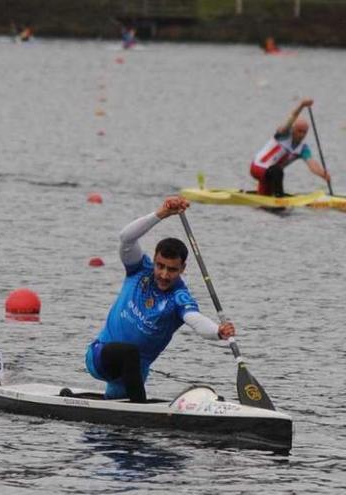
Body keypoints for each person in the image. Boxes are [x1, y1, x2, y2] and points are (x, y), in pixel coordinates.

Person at [84, 196, 236, 402]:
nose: (164, 274)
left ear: (183, 269)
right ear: (154, 260)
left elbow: (196, 320)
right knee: (130, 353)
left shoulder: (179, 298)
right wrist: (161, 214)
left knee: (117, 421)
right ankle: (139, 410)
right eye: (160, 266)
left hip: (134, 373)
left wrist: (217, 331)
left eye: (172, 269)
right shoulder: (138, 269)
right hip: (101, 356)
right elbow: (126, 237)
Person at [249, 98, 331, 197]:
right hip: (257, 167)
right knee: (277, 171)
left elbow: (312, 164)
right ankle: (279, 198)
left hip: (270, 175)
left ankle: (264, 198)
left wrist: (323, 174)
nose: (302, 135)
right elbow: (292, 117)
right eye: (299, 131)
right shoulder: (283, 134)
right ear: (293, 129)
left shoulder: (303, 149)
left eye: (304, 132)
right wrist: (301, 105)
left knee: (264, 198)